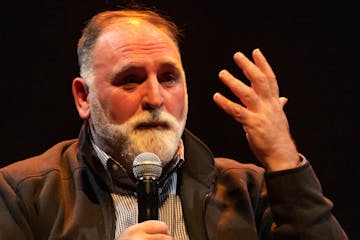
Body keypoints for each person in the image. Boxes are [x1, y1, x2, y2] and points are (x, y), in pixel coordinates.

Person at [0, 7, 348, 240]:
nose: (155, 98)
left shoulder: (248, 190)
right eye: (130, 80)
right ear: (82, 97)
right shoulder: (22, 194)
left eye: (168, 78)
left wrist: (284, 161)